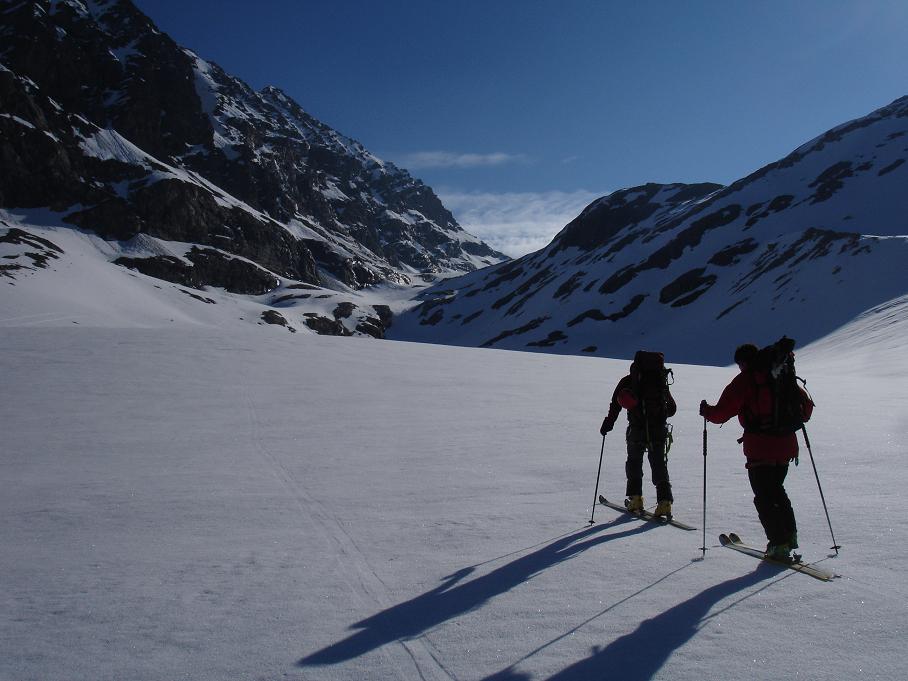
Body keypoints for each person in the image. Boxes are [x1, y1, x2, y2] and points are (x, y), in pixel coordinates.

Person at [699, 342, 814, 560]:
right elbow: (806, 410)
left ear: (743, 362)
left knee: (764, 496)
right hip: (786, 446)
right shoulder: (781, 376)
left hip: (760, 448)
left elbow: (721, 413)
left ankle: (778, 543)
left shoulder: (746, 381)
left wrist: (706, 411)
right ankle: (789, 536)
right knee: (777, 491)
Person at [600, 351, 677, 517]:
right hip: (658, 429)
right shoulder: (660, 382)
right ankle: (664, 502)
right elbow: (672, 409)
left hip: (637, 429)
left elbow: (615, 405)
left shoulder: (629, 381)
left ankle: (635, 499)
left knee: (634, 462)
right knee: (658, 463)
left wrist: (608, 424)